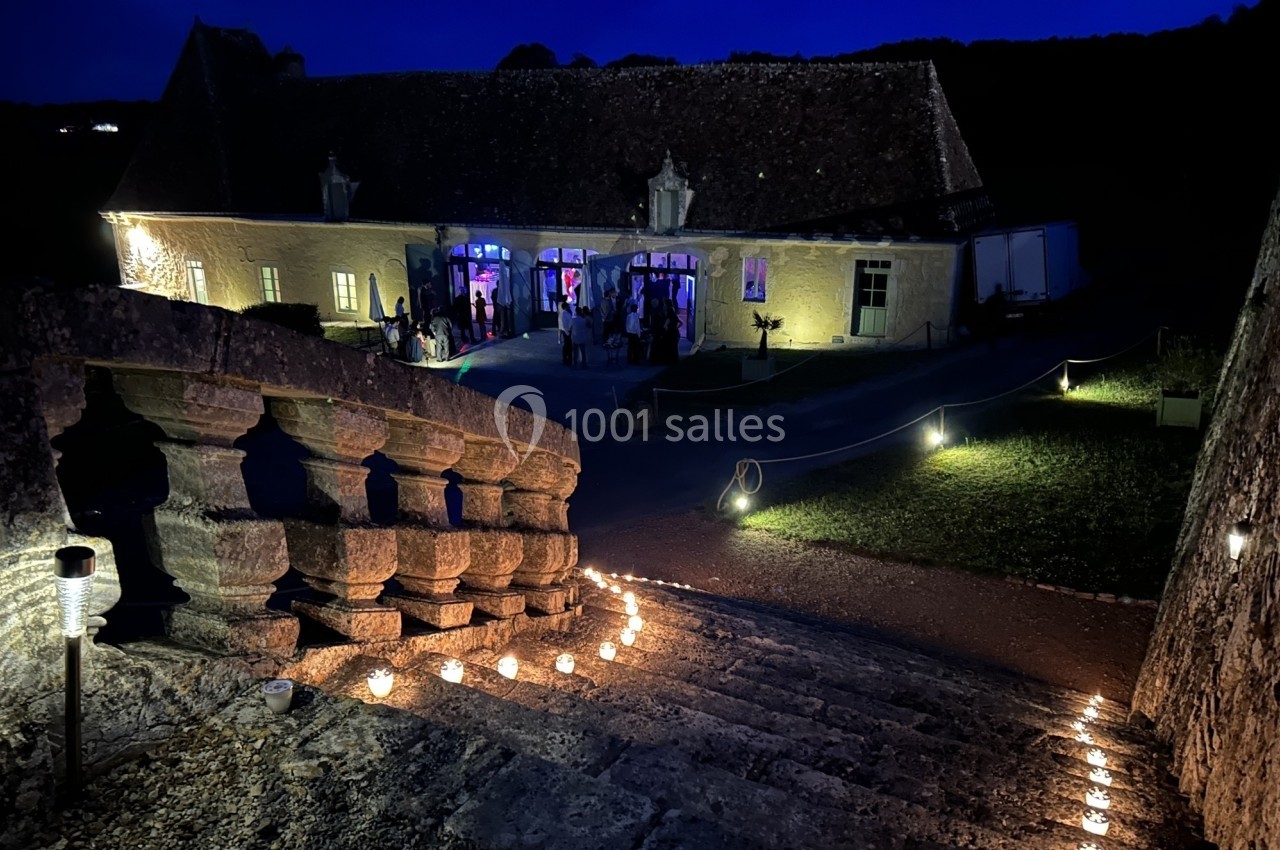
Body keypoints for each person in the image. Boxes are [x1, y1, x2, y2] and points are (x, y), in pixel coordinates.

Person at [558, 300, 574, 366]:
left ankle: (568, 359)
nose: (569, 307)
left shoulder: (567, 313)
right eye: (568, 306)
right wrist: (567, 332)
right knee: (567, 345)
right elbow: (563, 325)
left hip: (568, 331)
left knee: (568, 345)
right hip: (566, 331)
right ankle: (566, 359)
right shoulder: (563, 314)